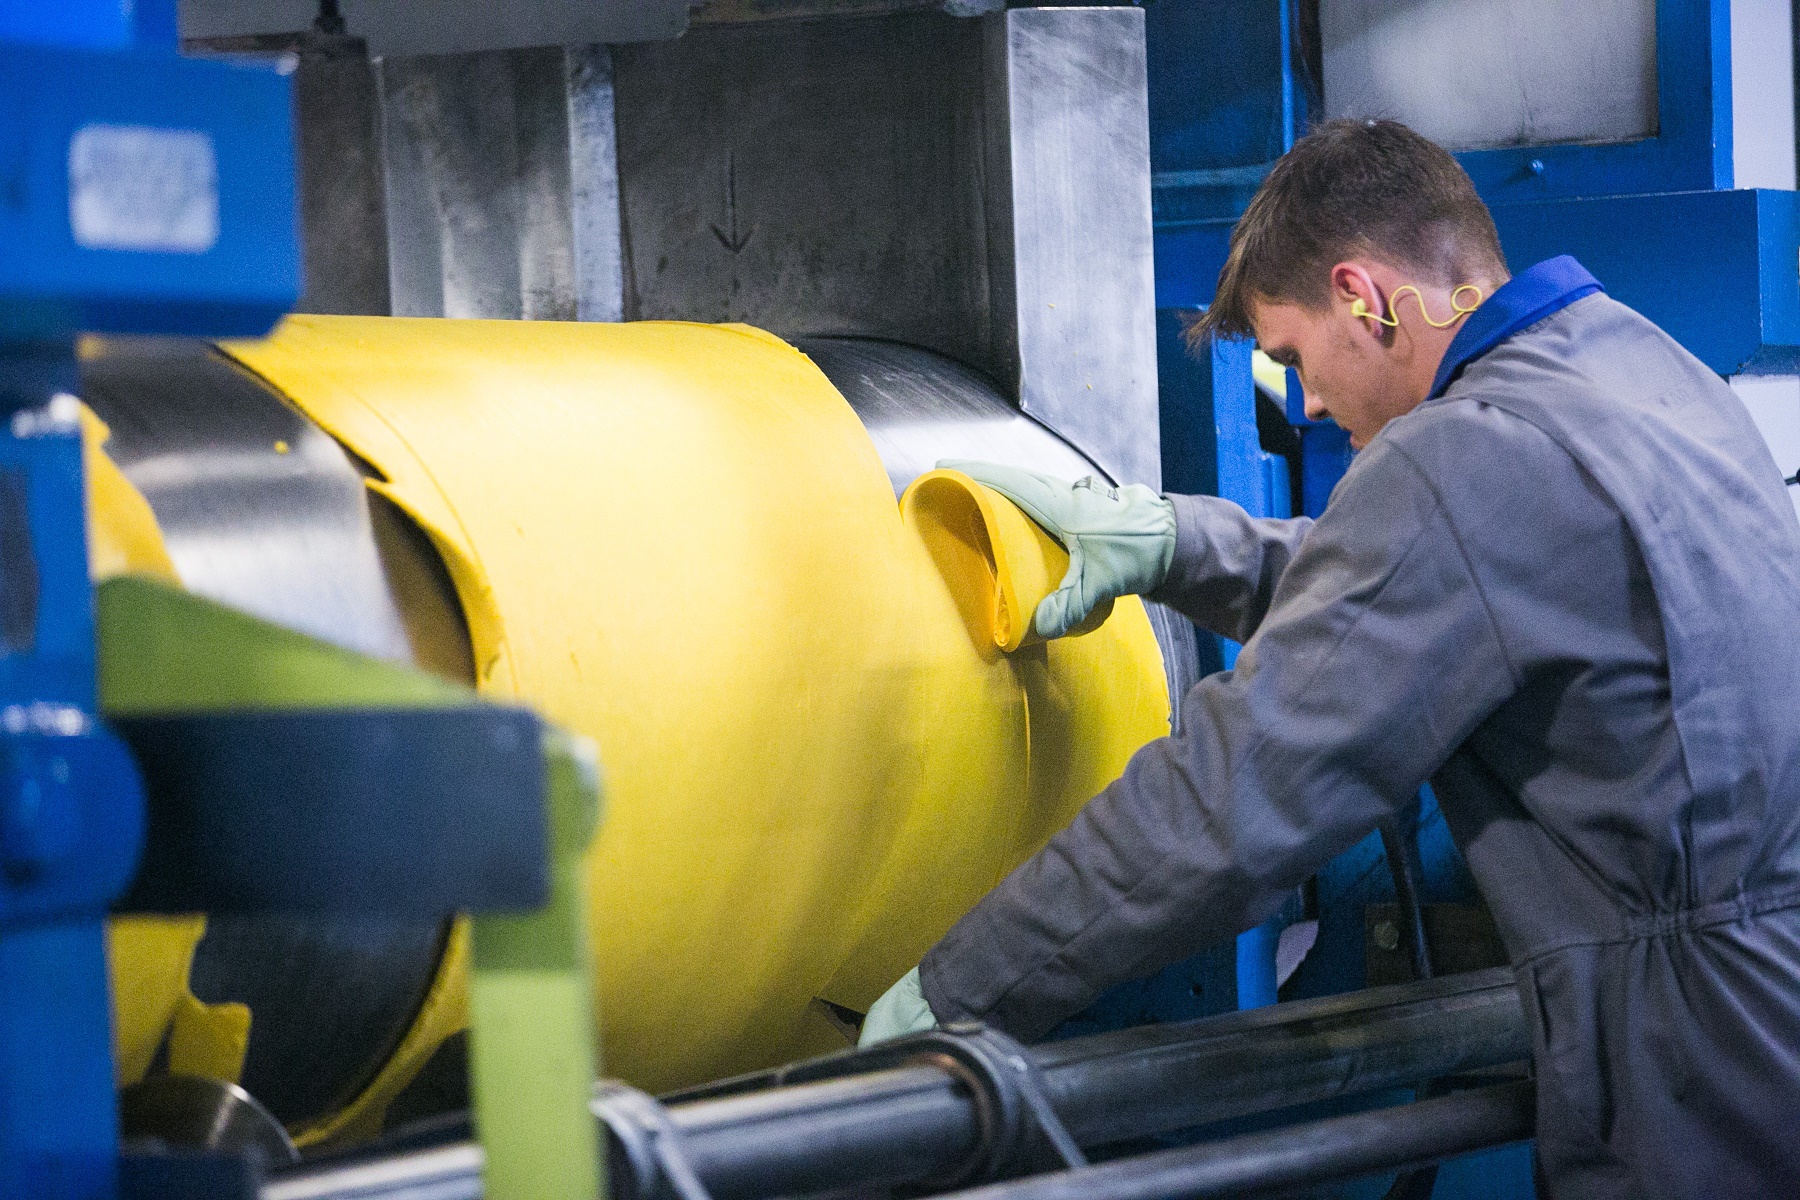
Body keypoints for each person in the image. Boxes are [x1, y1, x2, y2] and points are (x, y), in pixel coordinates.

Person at [858, 118, 1800, 1198]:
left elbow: (1233, 798)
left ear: (1363, 296)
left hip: (1689, 1066)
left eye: (1294, 357)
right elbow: (1439, 593)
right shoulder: (1638, 367)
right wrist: (1176, 542)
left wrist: (958, 993)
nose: (1305, 401)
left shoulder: (1461, 456)